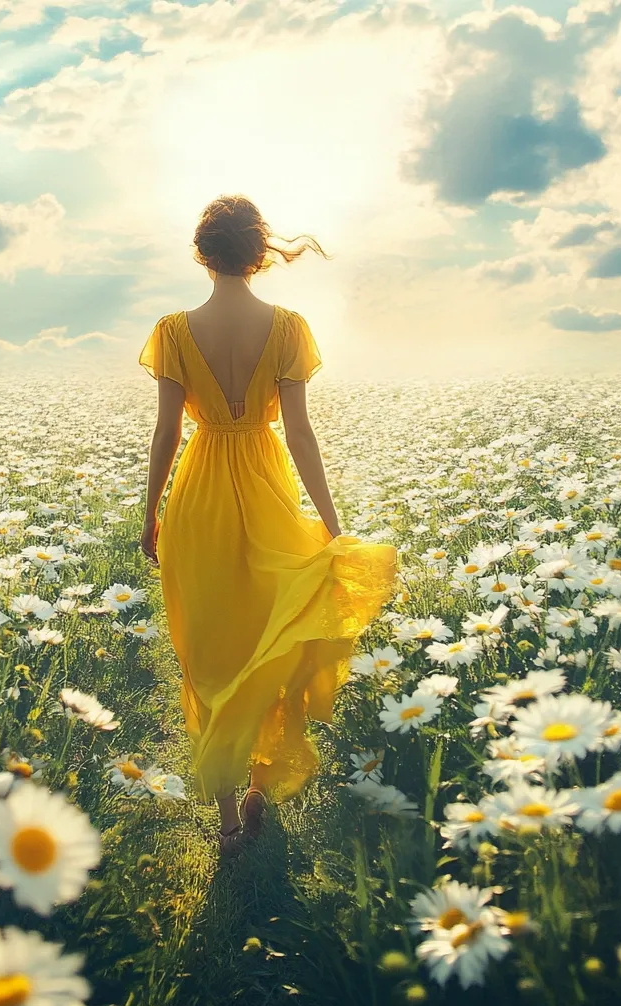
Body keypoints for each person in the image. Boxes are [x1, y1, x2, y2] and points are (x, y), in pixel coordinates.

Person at [137, 195, 399, 859]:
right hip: (267, 485)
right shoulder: (286, 326)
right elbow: (302, 433)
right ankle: (257, 785)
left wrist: (152, 514)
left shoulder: (172, 330)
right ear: (258, 254)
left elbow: (167, 433)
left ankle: (228, 824)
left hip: (198, 496)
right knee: (269, 636)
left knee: (209, 651)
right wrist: (332, 526)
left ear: (203, 252)